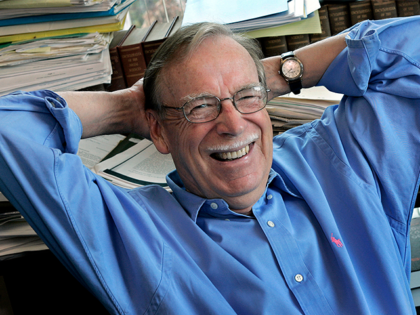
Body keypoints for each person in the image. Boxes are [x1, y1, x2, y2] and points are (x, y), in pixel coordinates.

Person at [0, 16, 419, 314]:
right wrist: (126, 108)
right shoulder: (137, 233)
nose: (233, 123)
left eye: (246, 97)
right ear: (159, 133)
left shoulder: (340, 160)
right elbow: (8, 130)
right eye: (199, 106)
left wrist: (280, 73)